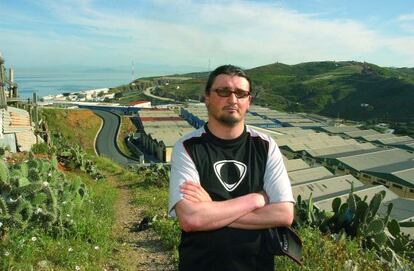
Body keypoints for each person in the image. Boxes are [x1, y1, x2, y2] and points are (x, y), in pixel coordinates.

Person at [168, 65, 295, 271]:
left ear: (249, 101)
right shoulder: (188, 147)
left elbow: (283, 214)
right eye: (223, 91)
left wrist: (211, 210)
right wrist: (257, 199)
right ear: (207, 97)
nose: (233, 99)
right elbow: (191, 218)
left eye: (241, 93)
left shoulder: (266, 146)